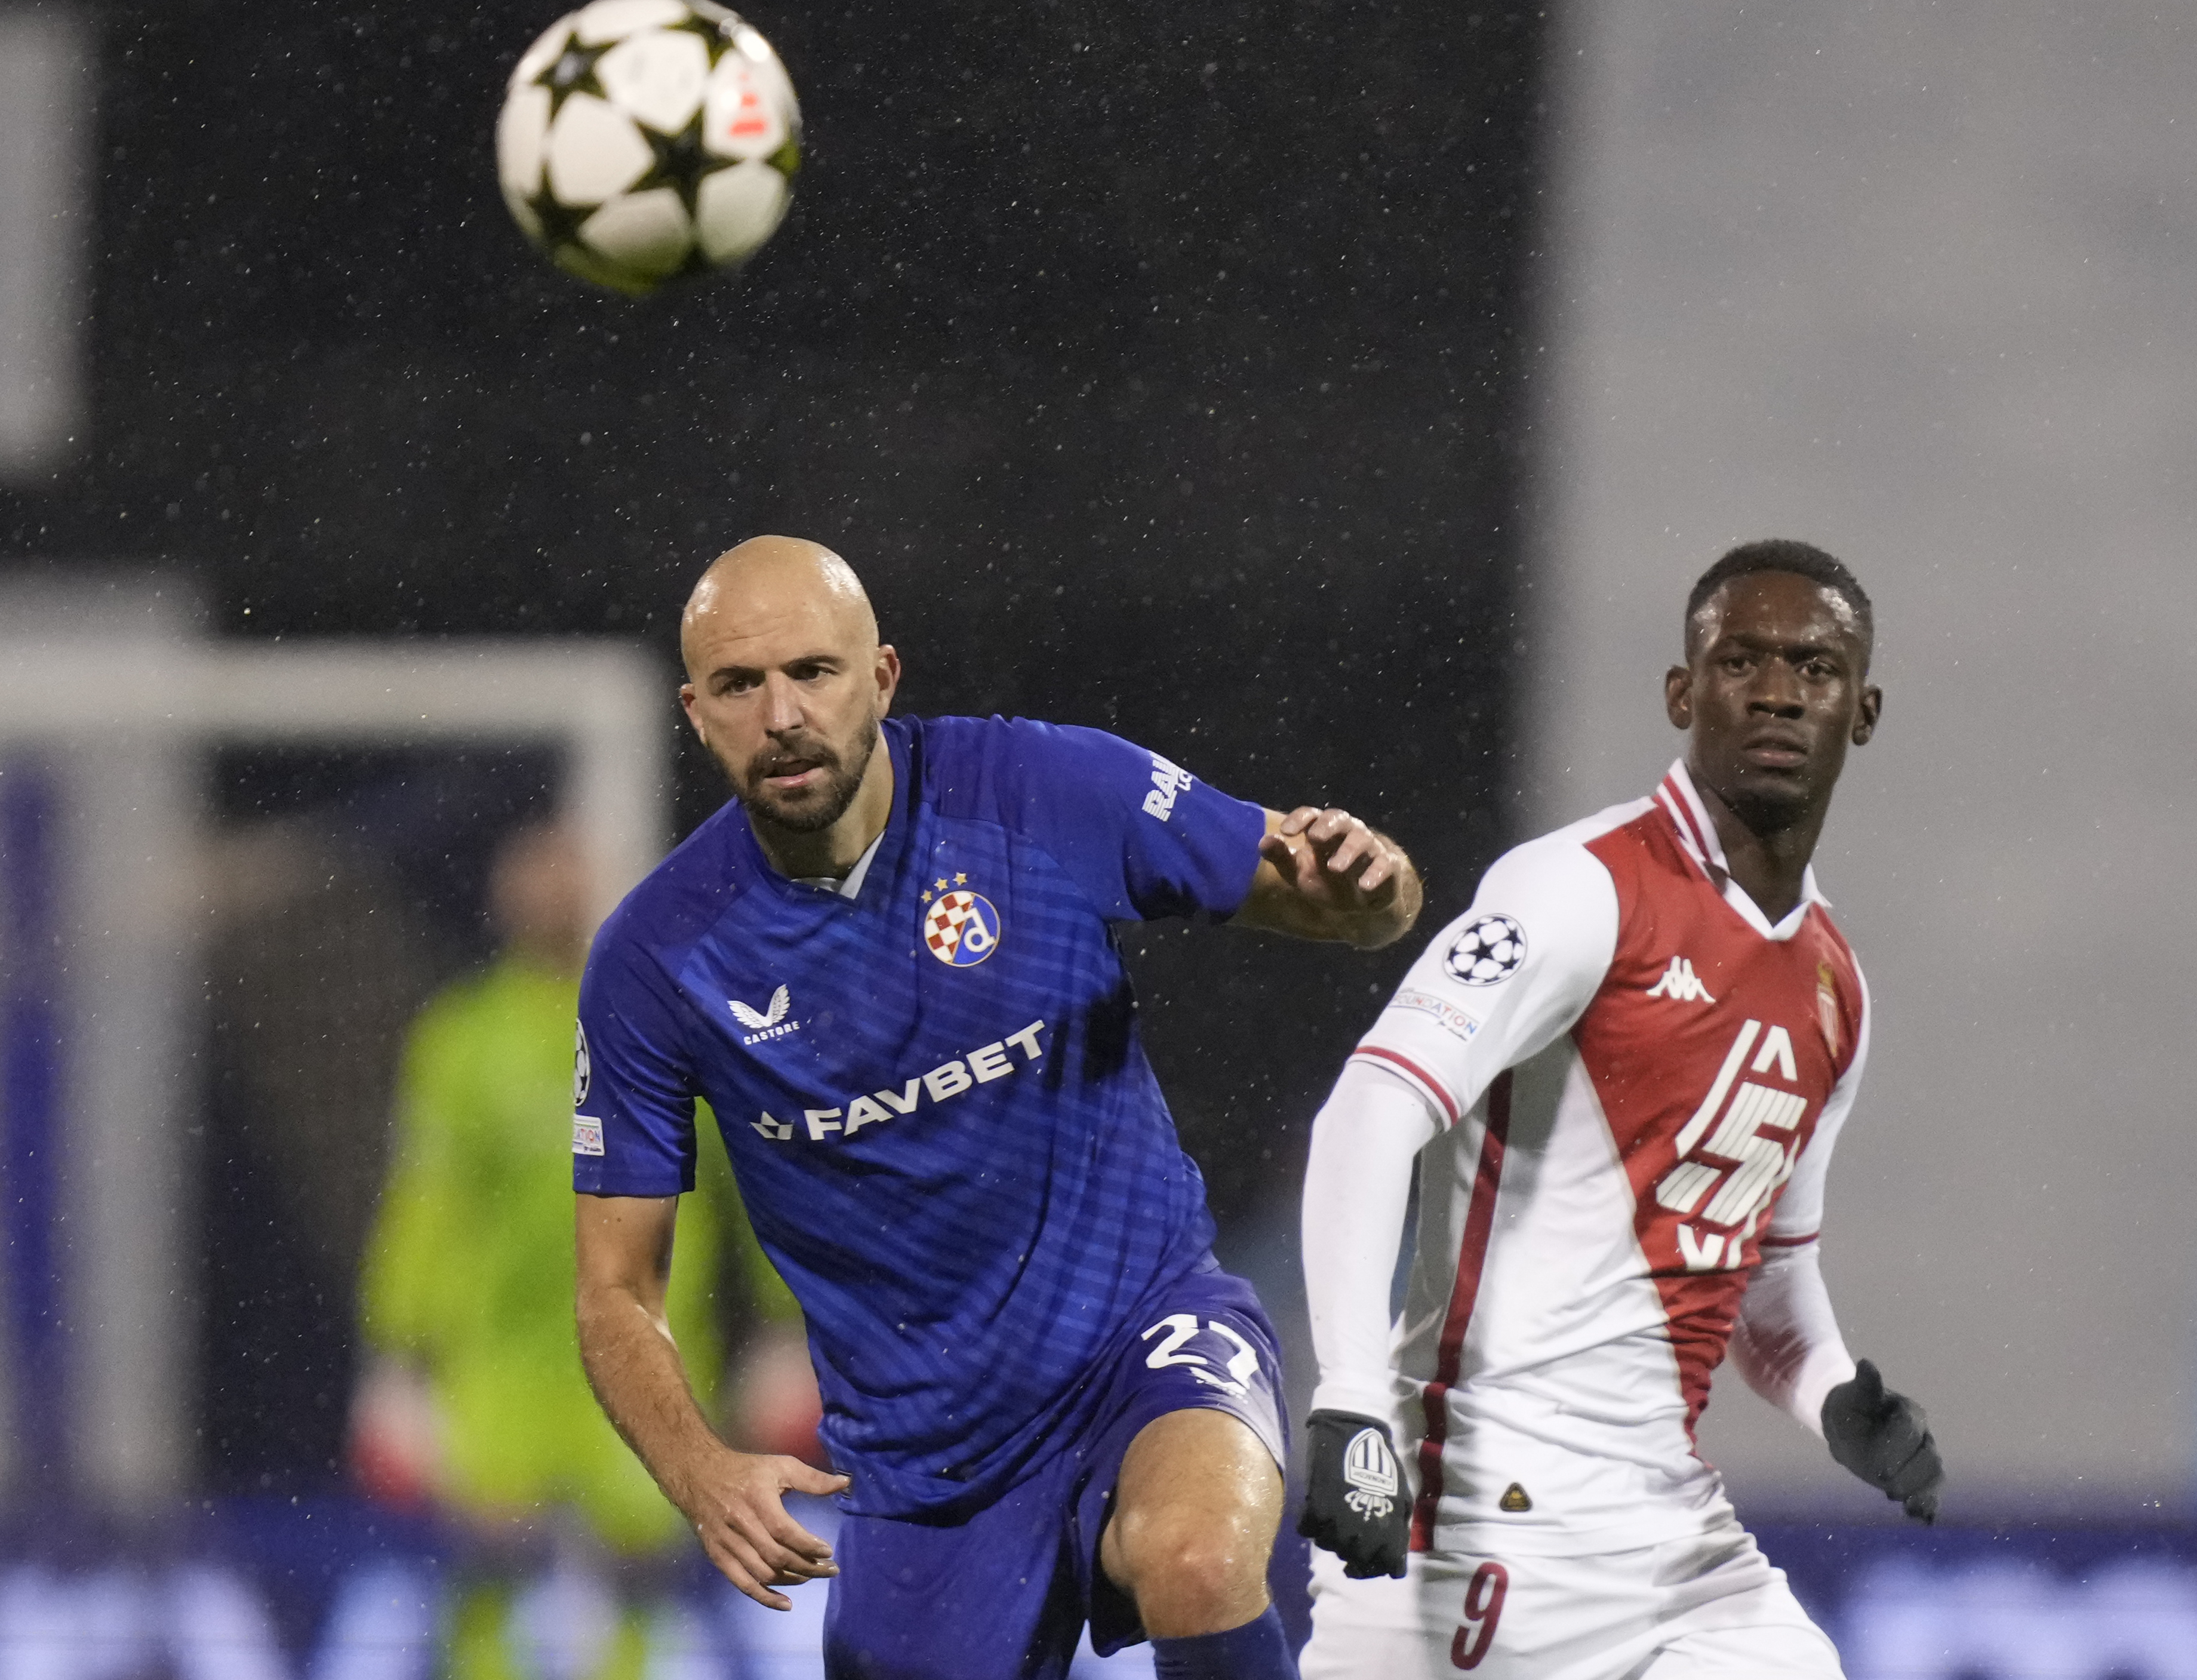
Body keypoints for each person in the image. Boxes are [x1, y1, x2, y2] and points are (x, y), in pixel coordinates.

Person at [571, 535, 1424, 1680]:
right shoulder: (657, 956)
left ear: (881, 676)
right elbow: (617, 1288)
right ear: (694, 710)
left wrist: (1379, 887)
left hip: (1143, 1336)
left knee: (1196, 1556)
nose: (781, 714)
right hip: (925, 1467)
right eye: (740, 684)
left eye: (814, 673)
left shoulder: (1038, 791)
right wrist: (700, 1470)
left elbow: (1341, 908)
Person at [1296, 541, 1943, 1679]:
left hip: (1666, 1530)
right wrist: (1350, 1402)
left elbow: (1764, 1278)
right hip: (1475, 1506)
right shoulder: (1577, 888)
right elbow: (1370, 1108)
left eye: (1816, 665)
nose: (1782, 690)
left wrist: (1836, 1394)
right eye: (1742, 660)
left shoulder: (1835, 985)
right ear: (1683, 695)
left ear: (1867, 708)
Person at [358, 819, 801, 1680]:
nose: (552, 890)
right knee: (492, 1573)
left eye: (570, 870)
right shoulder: (463, 1037)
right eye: (536, 871)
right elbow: (426, 1205)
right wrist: (397, 1358)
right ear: (501, 896)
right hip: (506, 1359)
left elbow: (758, 1179)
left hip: (652, 1336)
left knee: (648, 1571)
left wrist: (788, 1329)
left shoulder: (677, 1021)